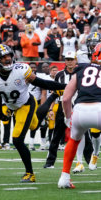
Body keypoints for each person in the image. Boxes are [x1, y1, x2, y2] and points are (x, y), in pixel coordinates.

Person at [0, 44, 66, 182]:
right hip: (12, 106)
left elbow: (42, 83)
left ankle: (30, 174)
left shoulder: (21, 70)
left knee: (17, 139)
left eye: (9, 55)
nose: (8, 59)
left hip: (26, 104)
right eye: (3, 57)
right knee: (34, 126)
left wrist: (66, 86)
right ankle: (44, 114)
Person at [58, 43, 101, 189]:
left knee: (73, 140)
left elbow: (65, 98)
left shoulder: (81, 69)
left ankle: (64, 177)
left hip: (80, 110)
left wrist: (68, 117)